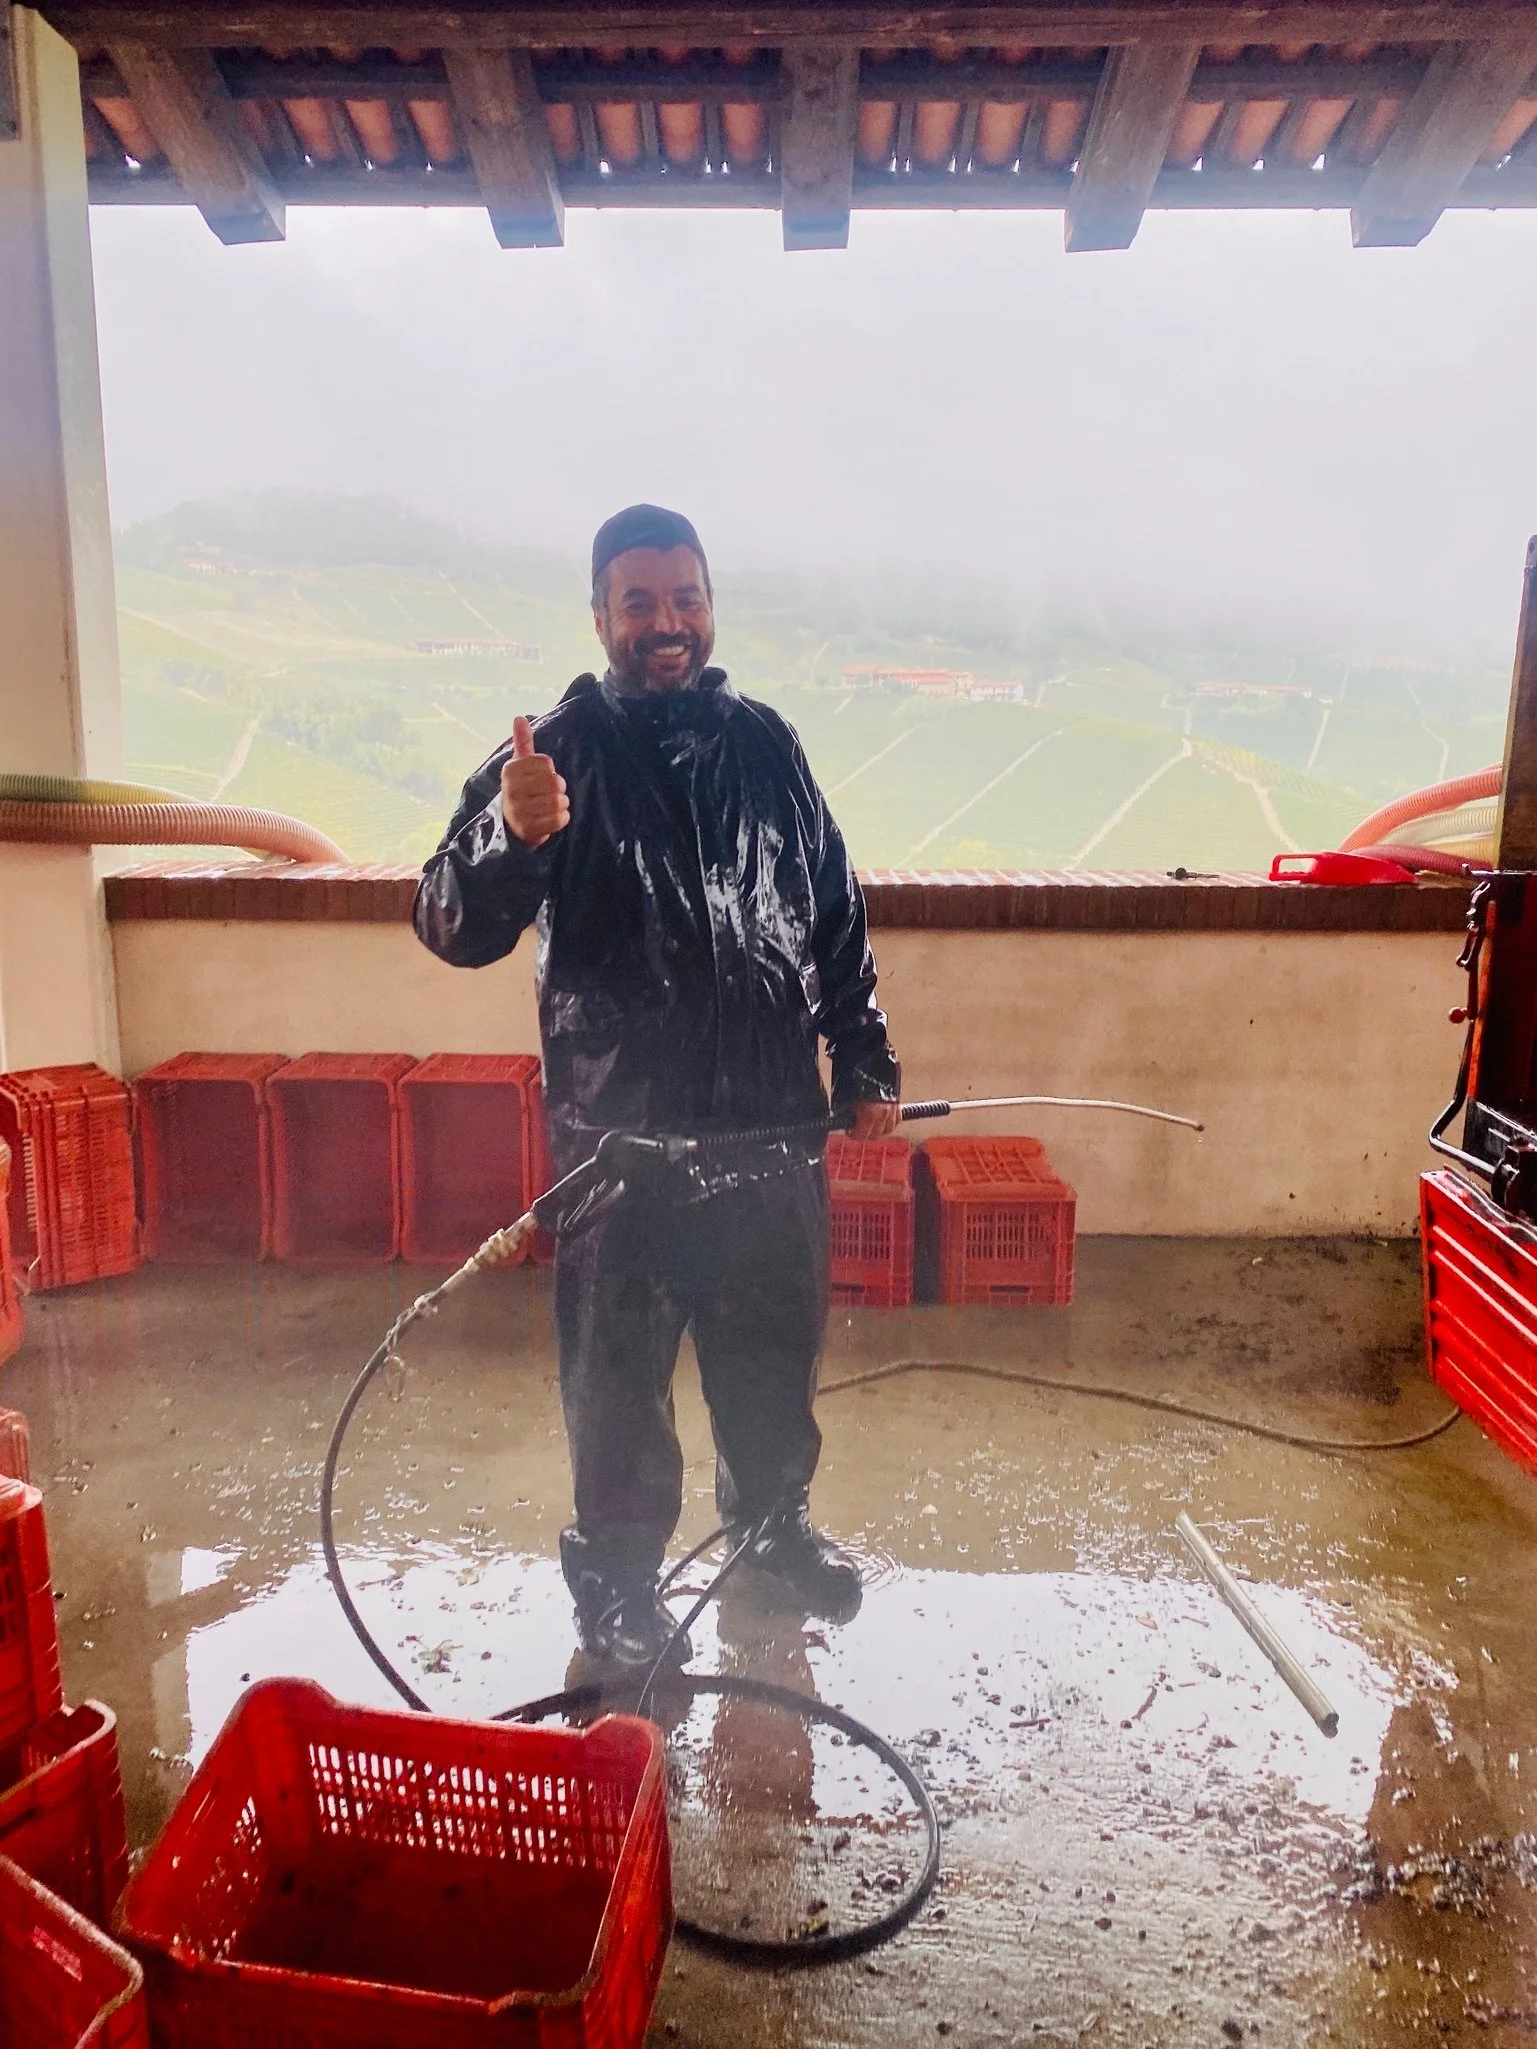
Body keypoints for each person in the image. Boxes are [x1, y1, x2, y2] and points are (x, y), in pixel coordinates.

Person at [414, 504, 900, 1669]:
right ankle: (620, 1585)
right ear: (600, 617)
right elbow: (446, 919)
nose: (666, 624)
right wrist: (506, 842)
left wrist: (865, 1053)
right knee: (618, 1389)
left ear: (710, 604)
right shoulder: (555, 754)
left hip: (771, 1136)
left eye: (684, 598)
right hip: (620, 1155)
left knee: (772, 1361)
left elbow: (834, 912)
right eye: (639, 603)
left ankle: (772, 1528)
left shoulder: (767, 745)